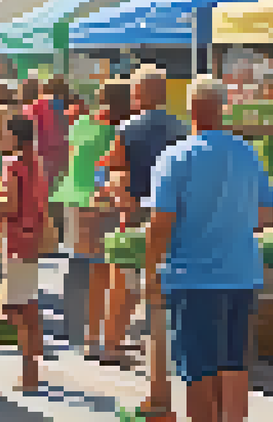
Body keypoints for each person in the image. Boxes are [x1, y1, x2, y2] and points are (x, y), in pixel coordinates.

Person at [142, 76, 273, 422]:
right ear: (222, 109)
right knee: (233, 365)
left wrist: (150, 271)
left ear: (191, 110)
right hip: (242, 274)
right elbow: (265, 217)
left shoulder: (175, 157)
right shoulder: (249, 154)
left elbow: (161, 223)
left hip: (192, 276)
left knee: (197, 367)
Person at [93, 64, 190, 366]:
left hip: (136, 210)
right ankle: (161, 343)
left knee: (122, 279)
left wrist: (108, 189)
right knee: (168, 278)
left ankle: (111, 344)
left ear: (136, 95)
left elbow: (111, 167)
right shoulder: (183, 128)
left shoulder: (127, 129)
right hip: (175, 211)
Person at [52, 80, 132, 361]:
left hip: (73, 199)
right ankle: (94, 337)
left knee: (76, 267)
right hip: (101, 202)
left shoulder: (80, 125)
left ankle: (73, 330)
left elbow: (74, 157)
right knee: (102, 272)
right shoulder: (120, 131)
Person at [0, 115, 47, 394]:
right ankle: (34, 363)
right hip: (32, 238)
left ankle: (30, 376)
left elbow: (10, 205)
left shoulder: (12, 165)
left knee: (20, 310)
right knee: (27, 305)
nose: (2, 138)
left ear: (16, 137)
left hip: (16, 241)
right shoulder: (37, 163)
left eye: (5, 133)